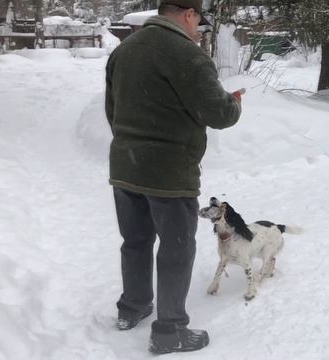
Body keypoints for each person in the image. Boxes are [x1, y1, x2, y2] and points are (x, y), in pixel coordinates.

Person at [104, 0, 242, 354]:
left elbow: (112, 108)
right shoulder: (187, 54)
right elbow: (219, 114)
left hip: (125, 167)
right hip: (169, 173)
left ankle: (132, 308)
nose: (199, 29)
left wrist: (134, 142)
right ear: (188, 14)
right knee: (176, 250)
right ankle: (170, 331)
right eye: (198, 21)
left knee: (135, 241)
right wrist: (234, 103)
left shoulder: (126, 49)